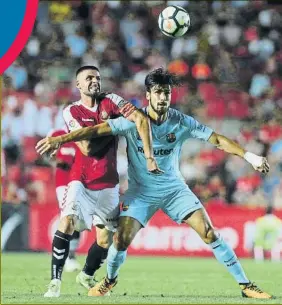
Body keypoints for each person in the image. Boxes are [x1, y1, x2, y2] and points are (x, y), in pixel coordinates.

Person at [36, 68, 273, 299]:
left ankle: (246, 285)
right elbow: (96, 130)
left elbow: (217, 139)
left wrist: (250, 156)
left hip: (174, 190)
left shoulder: (181, 121)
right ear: (148, 95)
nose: (162, 98)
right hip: (140, 193)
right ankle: (108, 280)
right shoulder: (131, 121)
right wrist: (60, 139)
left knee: (209, 233)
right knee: (119, 239)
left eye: (166, 93)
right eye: (158, 92)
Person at [40, 65, 162, 298]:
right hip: (80, 181)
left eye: (97, 77)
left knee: (106, 240)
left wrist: (146, 153)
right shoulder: (71, 111)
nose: (94, 81)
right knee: (66, 222)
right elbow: (86, 148)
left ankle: (86, 275)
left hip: (108, 182)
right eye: (88, 78)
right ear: (78, 85)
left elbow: (139, 118)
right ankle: (54, 283)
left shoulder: (112, 100)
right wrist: (115, 127)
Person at [48, 128, 81, 272]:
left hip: (80, 182)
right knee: (69, 216)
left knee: (78, 220)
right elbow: (45, 152)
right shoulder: (57, 133)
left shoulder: (84, 135)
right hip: (63, 183)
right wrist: (53, 158)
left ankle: (71, 256)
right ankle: (67, 257)